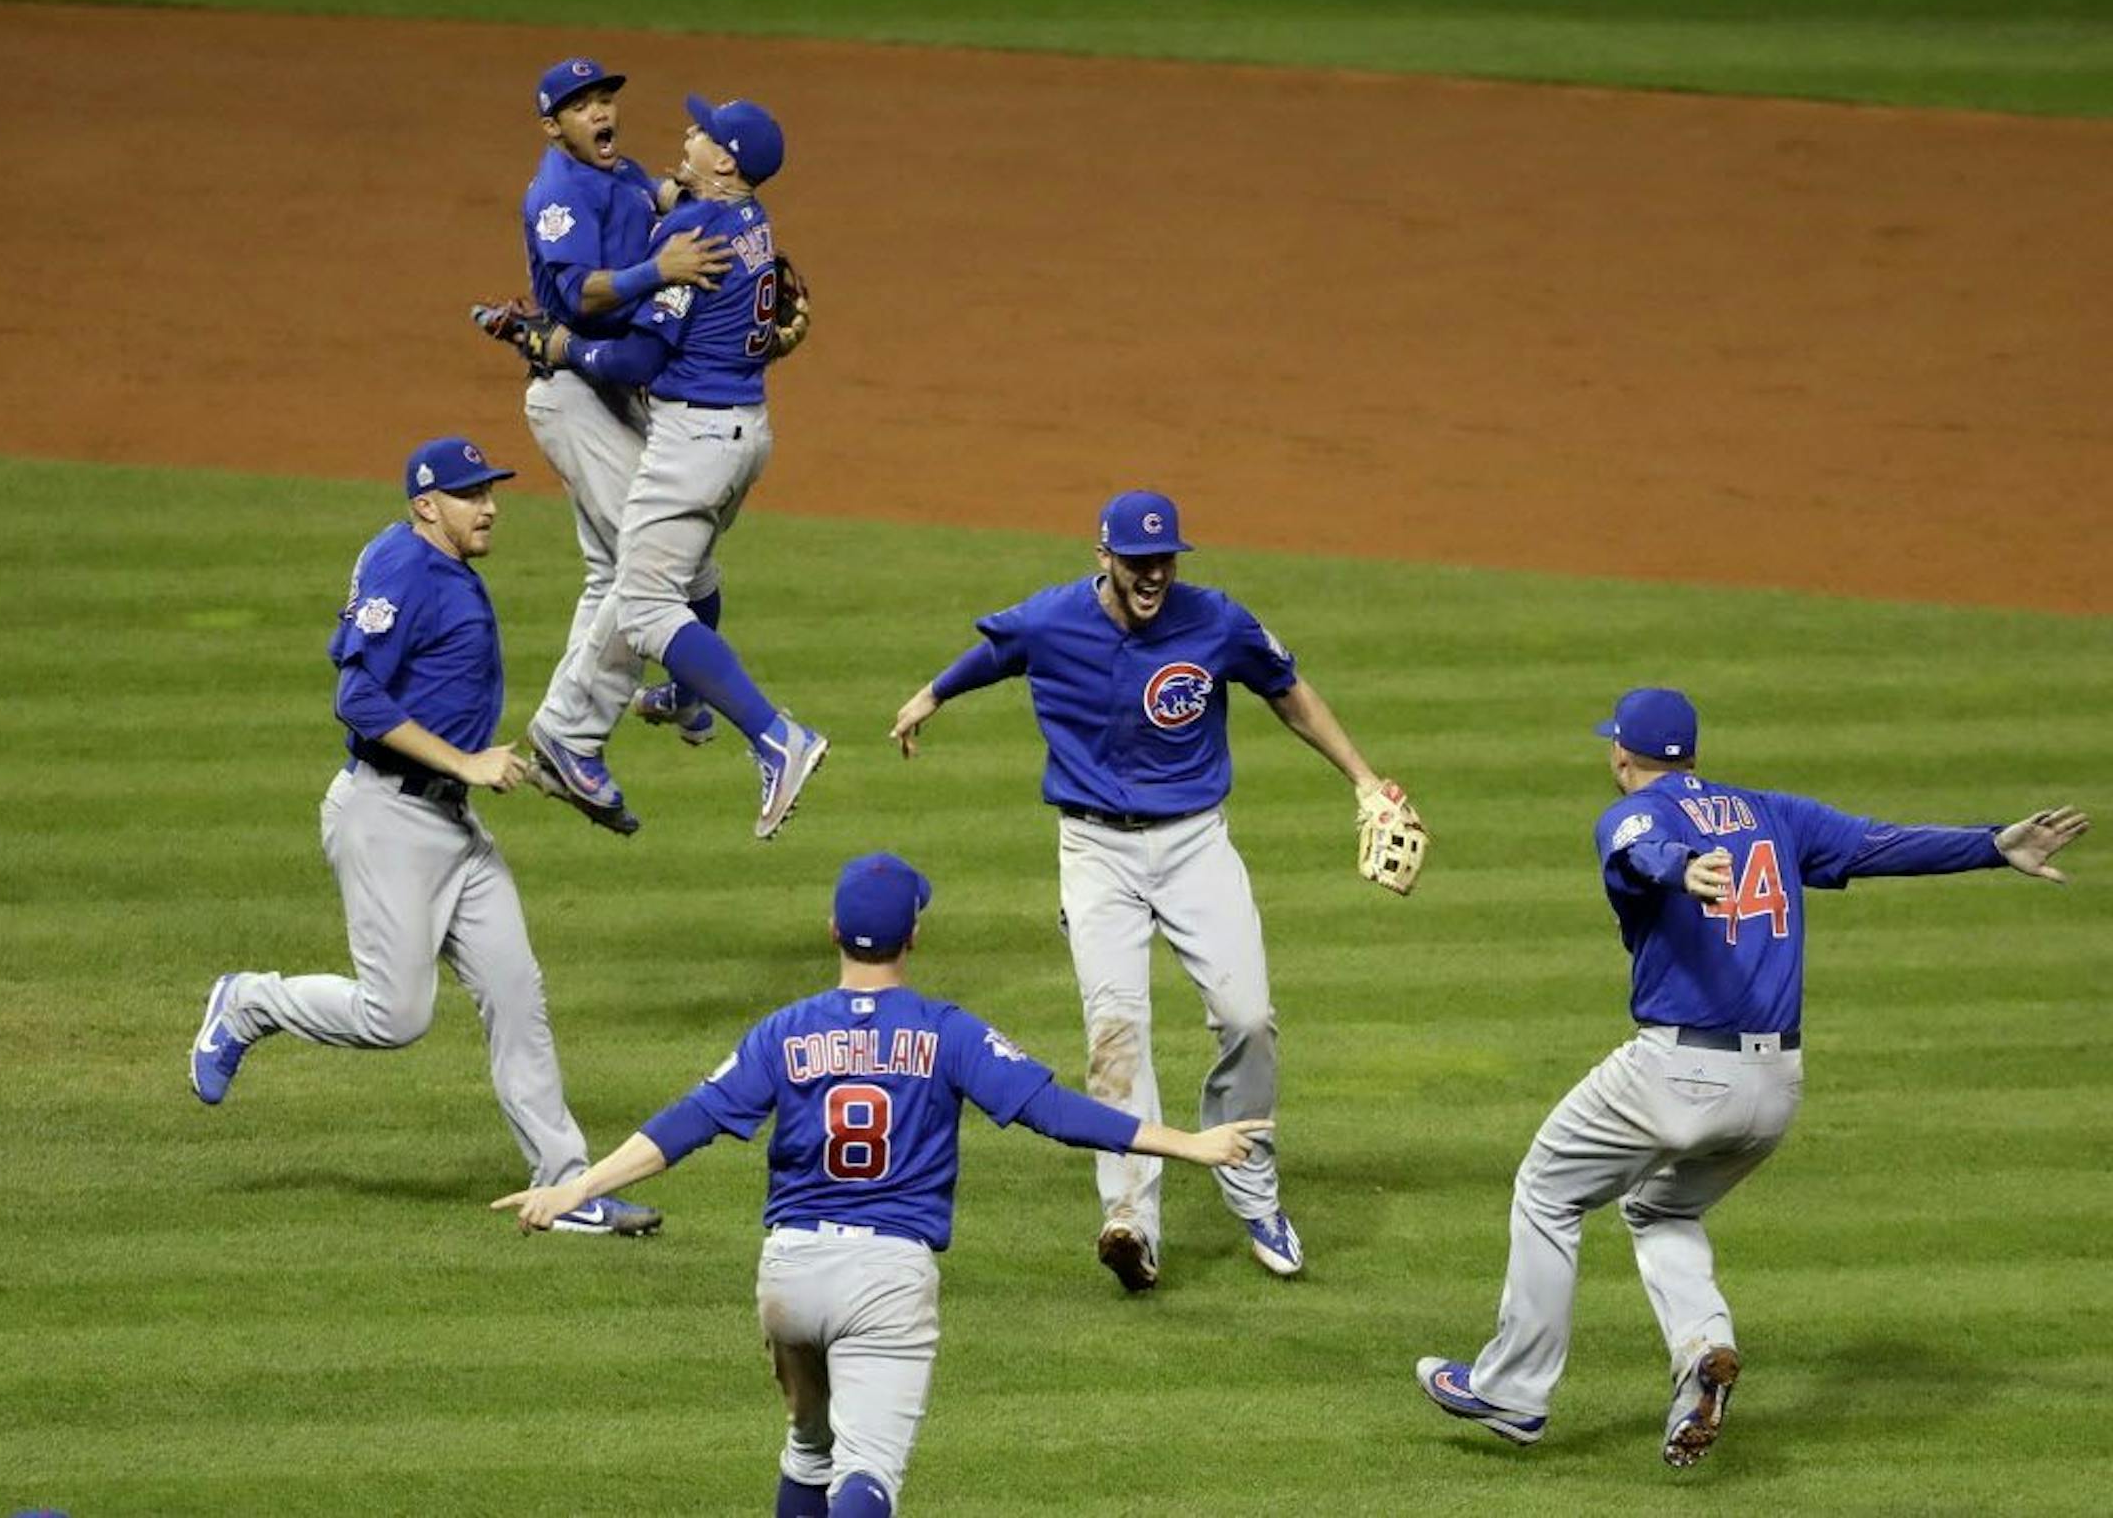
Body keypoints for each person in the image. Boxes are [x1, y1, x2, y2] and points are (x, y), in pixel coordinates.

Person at [1415, 687, 2090, 1466]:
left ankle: (1513, 1391)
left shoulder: (1635, 812)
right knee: (1659, 1208)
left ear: (1621, 754)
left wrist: (1677, 869)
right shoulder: (1773, 811)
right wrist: (1990, 845)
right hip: (1774, 1090)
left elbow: (1639, 847)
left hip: (1678, 1070)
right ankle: (1704, 1355)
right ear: (1693, 752)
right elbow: (1875, 844)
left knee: (1546, 1188)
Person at [492, 852, 1270, 1517]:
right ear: (915, 935)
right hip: (887, 1281)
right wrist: (1188, 1144)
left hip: (788, 1273)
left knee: (808, 1442)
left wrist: (574, 1187)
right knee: (868, 1475)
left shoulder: (784, 1030)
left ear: (834, 932)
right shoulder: (945, 1029)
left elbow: (686, 1123)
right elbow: (1056, 1111)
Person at [886, 490, 1412, 1290]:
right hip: (1095, 850)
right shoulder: (1054, 617)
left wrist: (1365, 781)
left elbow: (1288, 690)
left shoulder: (1217, 621)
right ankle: (1129, 1217)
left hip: (1196, 842)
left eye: (1164, 558)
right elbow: (997, 650)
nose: (1153, 574)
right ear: (1104, 557)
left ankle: (1252, 1183)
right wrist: (931, 694)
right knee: (1115, 1028)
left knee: (1248, 1018)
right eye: (1137, 560)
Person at [187, 436, 660, 1236]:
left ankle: (565, 1185)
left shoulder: (433, 565)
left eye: (490, 492)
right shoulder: (406, 569)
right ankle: (249, 1002)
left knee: (517, 994)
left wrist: (525, 771)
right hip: (387, 818)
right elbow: (357, 698)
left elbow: (446, 708)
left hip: (449, 820)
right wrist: (466, 763)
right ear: (425, 505)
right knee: (394, 1016)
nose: (491, 506)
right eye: (472, 495)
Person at [517, 94, 827, 841]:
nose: (684, 134)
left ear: (724, 161)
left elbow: (641, 356)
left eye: (700, 131)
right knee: (668, 579)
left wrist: (558, 347)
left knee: (652, 602)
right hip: (744, 432)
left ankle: (776, 736)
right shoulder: (750, 219)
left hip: (691, 441)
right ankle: (675, 700)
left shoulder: (692, 227)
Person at [504, 58, 737, 834]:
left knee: (614, 570)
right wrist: (658, 268)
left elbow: (667, 199)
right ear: (552, 126)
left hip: (618, 392)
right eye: (583, 106)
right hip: (577, 393)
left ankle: (606, 715)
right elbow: (577, 294)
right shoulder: (556, 195)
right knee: (655, 564)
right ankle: (573, 733)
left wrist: (716, 214)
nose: (602, 113)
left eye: (606, 99)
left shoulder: (622, 171)